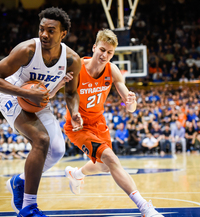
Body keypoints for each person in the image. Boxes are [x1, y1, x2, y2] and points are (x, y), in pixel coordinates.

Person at [0, 7, 83, 217]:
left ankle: (19, 181)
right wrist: (25, 93)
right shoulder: (28, 49)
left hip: (39, 101)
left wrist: (74, 111)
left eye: (51, 30)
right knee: (41, 139)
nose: (44, 35)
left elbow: (72, 92)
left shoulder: (72, 60)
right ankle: (29, 208)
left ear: (63, 33)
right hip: (12, 96)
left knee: (57, 150)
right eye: (41, 29)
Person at [63, 29, 163, 217]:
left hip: (99, 124)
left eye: (109, 52)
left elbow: (129, 106)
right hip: (78, 126)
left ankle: (76, 174)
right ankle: (145, 207)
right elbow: (60, 90)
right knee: (111, 158)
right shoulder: (77, 67)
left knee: (105, 166)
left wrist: (131, 102)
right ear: (94, 47)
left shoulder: (112, 70)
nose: (104, 55)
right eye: (102, 50)